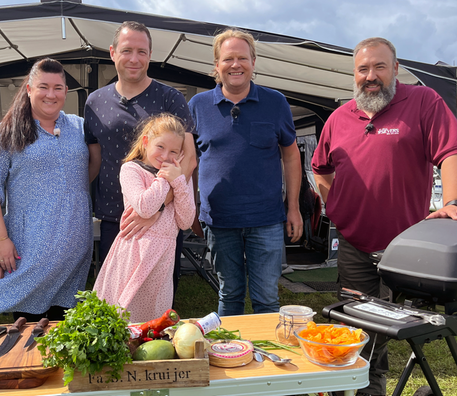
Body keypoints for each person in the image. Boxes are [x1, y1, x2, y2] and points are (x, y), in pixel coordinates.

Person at [311, 37, 457, 396]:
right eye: (363, 69)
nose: (371, 76)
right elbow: (320, 169)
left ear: (396, 69)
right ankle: (345, 387)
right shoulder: (339, 118)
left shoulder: (423, 102)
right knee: (355, 323)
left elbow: (451, 154)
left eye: (379, 67)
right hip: (354, 245)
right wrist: (333, 203)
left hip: (405, 246)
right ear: (354, 74)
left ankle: (373, 388)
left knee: (389, 326)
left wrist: (455, 202)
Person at [0, 58, 95, 322]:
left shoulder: (79, 127)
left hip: (75, 246)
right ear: (28, 89)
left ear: (66, 91)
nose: (51, 94)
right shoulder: (7, 131)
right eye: (43, 87)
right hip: (32, 246)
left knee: (66, 327)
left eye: (58, 88)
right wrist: (0, 240)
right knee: (28, 325)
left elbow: (89, 170)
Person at [188, 28, 304, 317]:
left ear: (254, 62)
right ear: (216, 65)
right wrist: (191, 208)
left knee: (266, 298)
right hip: (219, 219)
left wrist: (294, 208)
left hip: (265, 220)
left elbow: (290, 156)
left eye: (243, 58)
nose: (235, 65)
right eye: (228, 58)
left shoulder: (275, 102)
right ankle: (232, 357)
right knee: (230, 294)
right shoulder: (198, 106)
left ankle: (268, 360)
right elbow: (188, 163)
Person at [84, 21, 197, 300]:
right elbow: (95, 160)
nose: (134, 59)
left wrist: (157, 207)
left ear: (150, 55)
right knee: (116, 296)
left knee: (155, 298)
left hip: (162, 219)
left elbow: (189, 158)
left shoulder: (171, 98)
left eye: (142, 52)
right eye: (127, 50)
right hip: (116, 217)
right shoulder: (94, 102)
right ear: (112, 53)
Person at [93, 114, 195, 322]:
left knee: (154, 318)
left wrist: (179, 183)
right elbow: (145, 207)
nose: (166, 156)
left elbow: (185, 221)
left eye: (173, 151)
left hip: (162, 260)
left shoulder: (177, 179)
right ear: (146, 142)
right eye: (160, 147)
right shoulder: (132, 170)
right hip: (136, 254)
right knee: (125, 314)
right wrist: (166, 179)